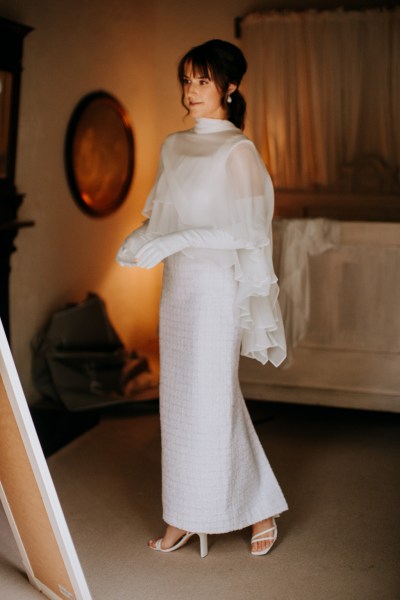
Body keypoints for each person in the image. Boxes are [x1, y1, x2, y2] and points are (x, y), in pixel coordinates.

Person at [117, 39, 288, 558]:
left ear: (230, 88)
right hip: (180, 289)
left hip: (217, 288)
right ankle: (183, 516)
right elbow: (165, 214)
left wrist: (177, 240)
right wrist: (142, 237)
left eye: (204, 80)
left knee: (214, 398)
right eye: (187, 80)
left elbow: (246, 230)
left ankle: (259, 507)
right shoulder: (173, 145)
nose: (192, 91)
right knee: (180, 402)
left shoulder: (239, 151)